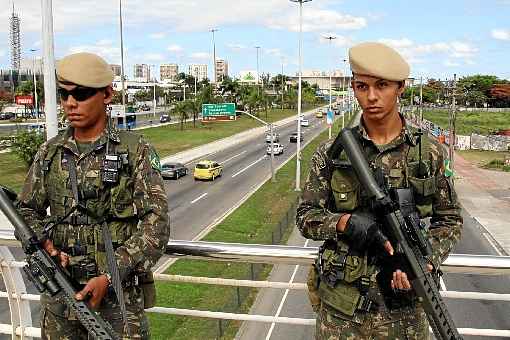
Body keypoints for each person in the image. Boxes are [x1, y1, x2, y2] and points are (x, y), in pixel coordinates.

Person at [297, 42, 463, 339]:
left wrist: (424, 261)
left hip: (404, 315)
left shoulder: (429, 154)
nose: (371, 96)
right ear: (353, 87)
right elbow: (306, 217)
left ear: (401, 87)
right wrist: (344, 223)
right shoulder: (332, 154)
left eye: (382, 86)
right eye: (362, 86)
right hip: (341, 313)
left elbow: (449, 218)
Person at [17, 52, 170, 339]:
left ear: (107, 94)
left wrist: (110, 277)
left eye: (82, 94)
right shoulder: (49, 153)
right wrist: (45, 245)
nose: (70, 103)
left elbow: (157, 225)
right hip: (60, 298)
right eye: (64, 95)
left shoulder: (135, 151)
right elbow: (26, 210)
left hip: (118, 305)